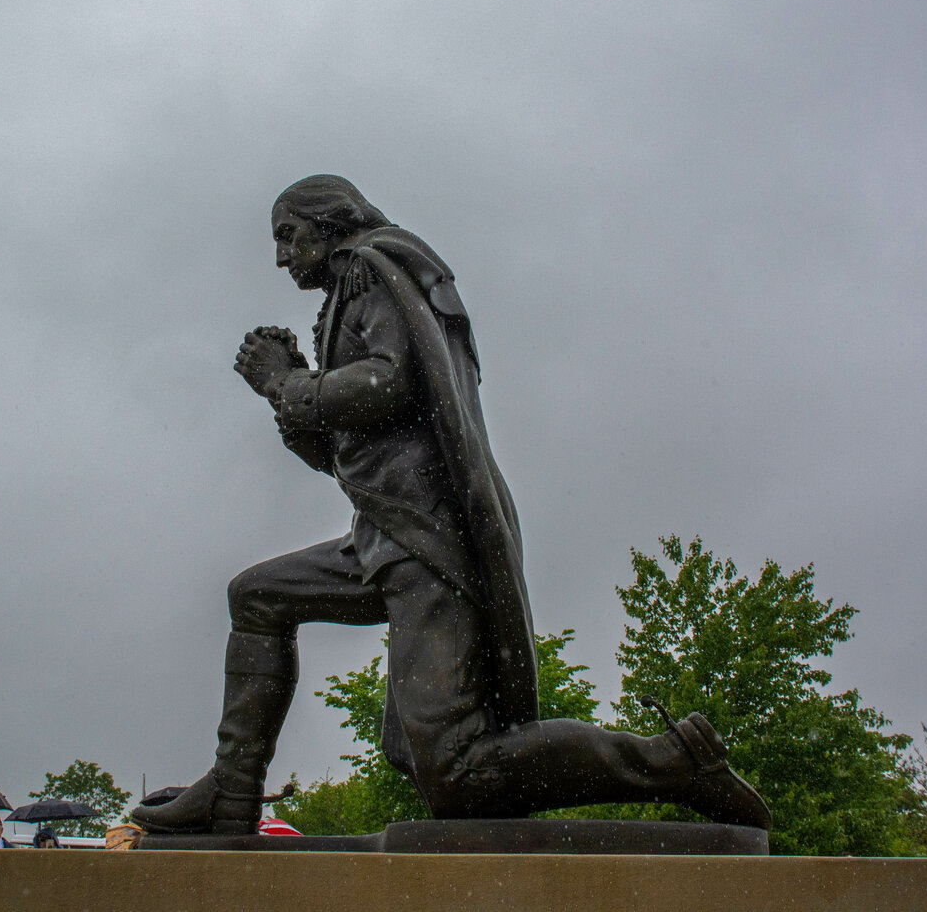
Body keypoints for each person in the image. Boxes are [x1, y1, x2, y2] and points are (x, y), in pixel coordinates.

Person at [132, 175, 771, 835]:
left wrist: (291, 382)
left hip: (427, 539)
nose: (280, 256)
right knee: (258, 595)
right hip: (386, 534)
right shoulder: (345, 299)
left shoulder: (372, 268)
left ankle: (668, 760)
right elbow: (349, 458)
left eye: (287, 235)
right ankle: (232, 793)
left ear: (329, 225)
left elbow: (390, 380)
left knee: (459, 775)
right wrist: (289, 395)